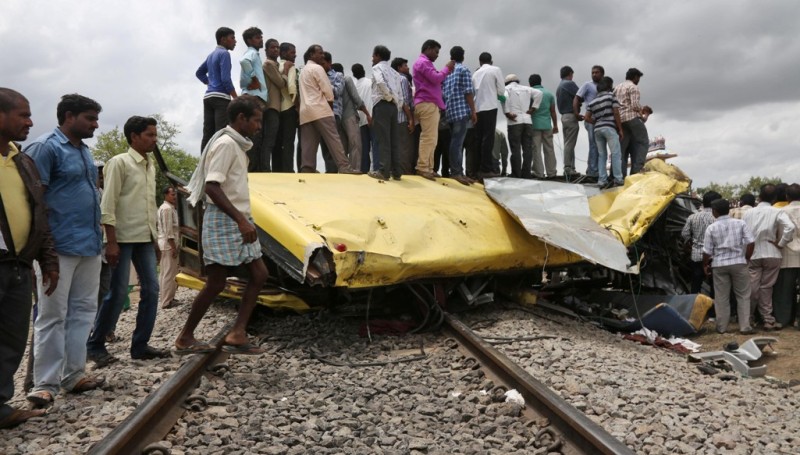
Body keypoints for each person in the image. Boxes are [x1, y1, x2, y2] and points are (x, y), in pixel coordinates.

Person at [25, 94, 105, 408]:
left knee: (84, 311)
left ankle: (74, 374)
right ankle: (45, 384)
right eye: (90, 119)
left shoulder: (83, 151)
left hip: (88, 245)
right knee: (51, 316)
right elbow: (34, 200)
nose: (96, 125)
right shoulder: (46, 148)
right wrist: (42, 250)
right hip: (57, 248)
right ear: (69, 116)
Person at [176, 95, 268, 355]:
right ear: (241, 119)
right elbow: (212, 187)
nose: (259, 127)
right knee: (216, 283)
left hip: (239, 218)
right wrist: (240, 220)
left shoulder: (238, 145)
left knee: (260, 274)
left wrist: (244, 218)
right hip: (224, 220)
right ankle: (185, 337)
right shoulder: (227, 144)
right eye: (256, 121)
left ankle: (237, 333)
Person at [86, 116, 168, 364]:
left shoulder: (149, 165)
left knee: (152, 290)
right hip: (120, 238)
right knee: (118, 290)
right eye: (149, 135)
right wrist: (111, 242)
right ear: (134, 136)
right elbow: (107, 204)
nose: (154, 140)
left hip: (144, 238)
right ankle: (96, 344)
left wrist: (154, 240)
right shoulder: (119, 163)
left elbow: (148, 206)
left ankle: (140, 345)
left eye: (155, 135)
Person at [0, 88, 56, 428]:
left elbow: (39, 212)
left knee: (11, 338)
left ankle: (1, 407)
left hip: (19, 266)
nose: (30, 121)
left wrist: (48, 260)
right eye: (23, 114)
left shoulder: (23, 160)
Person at [297, 45, 359, 174]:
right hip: (320, 108)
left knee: (308, 143)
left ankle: (307, 168)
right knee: (334, 139)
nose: (322, 55)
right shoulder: (318, 68)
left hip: (305, 111)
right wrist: (330, 108)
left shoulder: (303, 71)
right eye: (319, 53)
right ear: (311, 55)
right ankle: (344, 166)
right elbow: (328, 91)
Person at [742, 184, 796, 330]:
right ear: (774, 198)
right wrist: (781, 243)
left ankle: (750, 317)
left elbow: (744, 235)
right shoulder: (776, 212)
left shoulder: (748, 213)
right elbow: (790, 227)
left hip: (753, 253)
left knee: (752, 286)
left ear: (759, 197)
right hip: (772, 253)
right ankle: (767, 319)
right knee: (767, 287)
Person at [702, 198, 755, 334]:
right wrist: (747, 257)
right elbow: (751, 242)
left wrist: (705, 264)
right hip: (739, 262)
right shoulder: (740, 223)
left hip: (719, 264)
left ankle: (721, 327)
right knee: (743, 295)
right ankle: (744, 326)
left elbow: (707, 251)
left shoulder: (711, 228)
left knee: (721, 297)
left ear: (715, 211)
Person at [412, 39, 453, 181]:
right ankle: (423, 167)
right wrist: (447, 68)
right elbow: (436, 78)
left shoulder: (424, 63)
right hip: (427, 102)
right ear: (428, 48)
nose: (437, 55)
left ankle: (428, 167)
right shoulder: (423, 62)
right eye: (436, 51)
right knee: (429, 137)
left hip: (429, 103)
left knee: (432, 138)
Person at [368, 45, 406, 181]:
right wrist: (397, 103)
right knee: (393, 139)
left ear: (378, 55)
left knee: (383, 139)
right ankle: (396, 171)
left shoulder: (376, 68)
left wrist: (388, 96)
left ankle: (383, 171)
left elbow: (380, 82)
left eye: (373, 56)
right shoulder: (395, 73)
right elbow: (401, 94)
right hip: (394, 107)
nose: (372, 58)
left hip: (382, 104)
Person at [197, 27, 237, 152]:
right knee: (220, 132)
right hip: (221, 98)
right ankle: (217, 162)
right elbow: (226, 79)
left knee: (207, 133)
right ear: (223, 39)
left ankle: (204, 163)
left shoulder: (211, 55)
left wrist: (210, 82)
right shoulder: (225, 54)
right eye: (232, 38)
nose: (235, 41)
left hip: (208, 97)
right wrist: (236, 98)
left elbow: (199, 73)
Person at [442, 45, 477, 186]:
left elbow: (443, 93)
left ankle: (457, 171)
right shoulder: (464, 70)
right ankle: (456, 172)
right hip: (461, 110)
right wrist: (473, 111)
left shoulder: (447, 72)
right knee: (458, 143)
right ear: (463, 56)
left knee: (455, 143)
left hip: (449, 112)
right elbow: (469, 92)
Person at [584, 76, 623, 189]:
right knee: (615, 153)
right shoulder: (611, 97)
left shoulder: (593, 101)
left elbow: (587, 118)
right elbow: (616, 113)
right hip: (609, 128)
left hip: (597, 129)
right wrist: (620, 129)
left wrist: (595, 121)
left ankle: (602, 180)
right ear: (609, 86)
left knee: (602, 155)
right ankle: (618, 179)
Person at [472, 52, 505, 180]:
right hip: (490, 106)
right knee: (488, 138)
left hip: (477, 108)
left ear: (480, 62)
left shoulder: (475, 73)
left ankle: (478, 169)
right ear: (491, 61)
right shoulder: (495, 69)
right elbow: (501, 90)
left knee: (479, 139)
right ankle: (486, 169)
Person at [682, 191, 722, 294]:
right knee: (716, 285)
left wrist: (691, 244)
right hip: (715, 256)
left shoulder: (692, 217)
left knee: (696, 283)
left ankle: (695, 306)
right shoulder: (719, 218)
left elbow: (684, 234)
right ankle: (714, 306)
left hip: (697, 255)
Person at [502, 74, 541, 179]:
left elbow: (504, 97)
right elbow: (539, 93)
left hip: (514, 121)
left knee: (515, 149)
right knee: (527, 149)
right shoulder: (526, 88)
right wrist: (533, 108)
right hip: (527, 120)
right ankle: (526, 174)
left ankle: (516, 174)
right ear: (517, 81)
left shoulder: (506, 89)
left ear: (506, 82)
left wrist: (507, 112)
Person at [614, 68, 651, 176]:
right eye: (638, 78)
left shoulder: (617, 87)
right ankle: (637, 170)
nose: (638, 80)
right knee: (643, 142)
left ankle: (620, 175)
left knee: (622, 149)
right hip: (631, 118)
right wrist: (644, 110)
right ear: (635, 77)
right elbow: (635, 106)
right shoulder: (633, 87)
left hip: (620, 121)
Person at [260, 38, 288, 172]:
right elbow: (281, 83)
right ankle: (265, 168)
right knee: (269, 140)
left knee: (275, 140)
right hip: (271, 106)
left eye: (277, 47)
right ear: (266, 50)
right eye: (272, 47)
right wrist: (286, 72)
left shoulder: (275, 65)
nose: (276, 50)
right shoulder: (268, 64)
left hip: (276, 106)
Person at [774, 183, 800, 327]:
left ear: (787, 196)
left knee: (783, 290)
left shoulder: (781, 211)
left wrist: (780, 244)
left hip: (787, 254)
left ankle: (783, 319)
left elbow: (780, 231)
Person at [337, 63, 371, 171]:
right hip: (350, 116)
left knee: (343, 146)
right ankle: (354, 169)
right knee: (355, 145)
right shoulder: (347, 79)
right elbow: (356, 98)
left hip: (339, 118)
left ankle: (343, 169)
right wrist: (367, 113)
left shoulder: (333, 82)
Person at [573, 65, 604, 181]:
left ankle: (593, 169)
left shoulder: (605, 86)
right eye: (593, 73)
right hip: (591, 119)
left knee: (599, 146)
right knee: (594, 144)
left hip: (602, 120)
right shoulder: (587, 85)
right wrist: (576, 113)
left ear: (602, 74)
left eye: (597, 72)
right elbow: (577, 98)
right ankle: (593, 171)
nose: (594, 74)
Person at [529, 74, 558, 179]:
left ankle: (539, 173)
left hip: (534, 125)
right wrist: (555, 125)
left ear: (530, 83)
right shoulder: (549, 94)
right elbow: (553, 111)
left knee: (536, 149)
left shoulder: (530, 93)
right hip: (547, 124)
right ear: (540, 81)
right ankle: (552, 172)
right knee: (549, 149)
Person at [275, 42, 298, 172]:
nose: (295, 55)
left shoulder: (276, 66)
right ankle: (288, 170)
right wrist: (297, 106)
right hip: (289, 107)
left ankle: (277, 169)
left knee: (278, 142)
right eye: (292, 52)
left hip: (278, 108)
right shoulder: (291, 66)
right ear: (283, 53)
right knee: (289, 142)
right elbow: (292, 87)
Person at [556, 66, 581, 179]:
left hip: (563, 117)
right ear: (570, 73)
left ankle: (571, 167)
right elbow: (581, 95)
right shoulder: (569, 84)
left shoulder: (559, 86)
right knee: (570, 144)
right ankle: (568, 167)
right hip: (571, 116)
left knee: (568, 142)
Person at [158, 186, 180, 309]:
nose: (175, 197)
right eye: (172, 194)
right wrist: (173, 247)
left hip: (165, 245)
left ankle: (167, 298)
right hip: (168, 246)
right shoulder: (166, 209)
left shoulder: (168, 208)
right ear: (166, 195)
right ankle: (167, 301)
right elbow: (168, 231)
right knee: (169, 274)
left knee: (165, 273)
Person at [352, 63, 374, 173]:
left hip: (361, 121)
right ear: (364, 71)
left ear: (354, 75)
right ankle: (375, 170)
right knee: (375, 146)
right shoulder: (370, 82)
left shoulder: (355, 87)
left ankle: (364, 170)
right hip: (372, 118)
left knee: (364, 149)